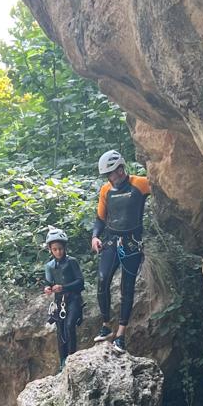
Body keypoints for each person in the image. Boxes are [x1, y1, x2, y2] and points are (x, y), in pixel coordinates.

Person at [90, 150, 150, 353]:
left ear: (122, 168)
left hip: (132, 242)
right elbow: (100, 217)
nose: (114, 178)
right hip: (112, 240)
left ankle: (121, 336)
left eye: (116, 172)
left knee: (127, 287)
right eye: (110, 175)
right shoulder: (106, 190)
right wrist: (95, 236)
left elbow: (162, 186)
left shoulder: (140, 184)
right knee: (102, 279)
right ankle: (106, 325)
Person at [43, 226, 84, 368]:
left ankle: (72, 358)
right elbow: (48, 282)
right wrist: (48, 288)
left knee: (69, 325)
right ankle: (63, 361)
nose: (58, 252)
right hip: (59, 301)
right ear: (50, 250)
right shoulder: (49, 266)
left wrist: (64, 287)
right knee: (60, 330)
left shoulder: (71, 262)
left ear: (64, 247)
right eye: (55, 249)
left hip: (73, 299)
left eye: (60, 248)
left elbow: (80, 282)